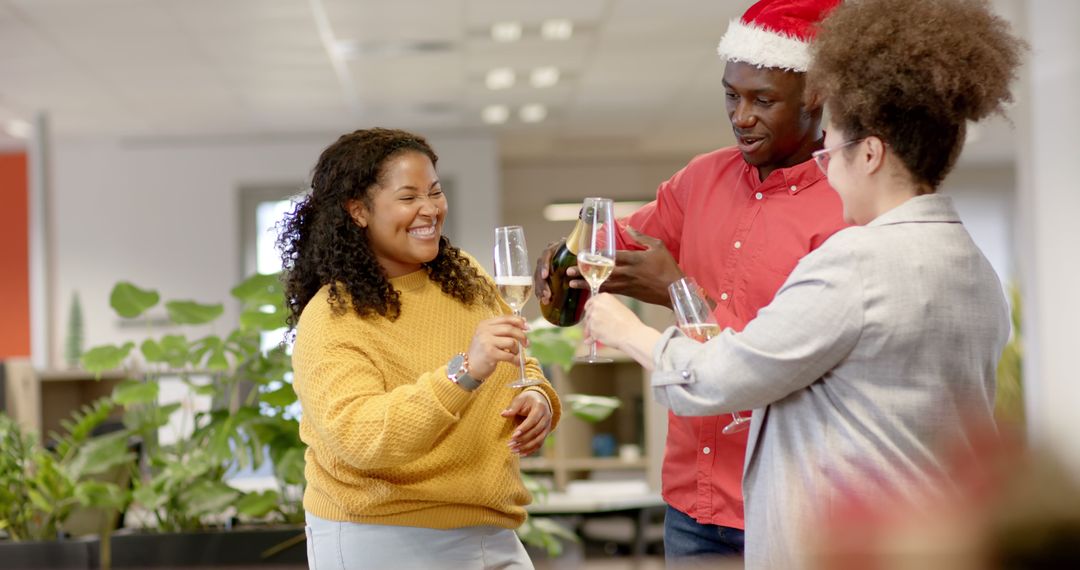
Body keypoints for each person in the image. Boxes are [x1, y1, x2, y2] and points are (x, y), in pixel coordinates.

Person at [582, 0, 1024, 567]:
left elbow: (723, 375)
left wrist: (624, 331)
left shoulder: (856, 263)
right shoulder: (974, 267)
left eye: (833, 142)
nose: (824, 162)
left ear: (869, 153)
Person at [534, 0, 845, 563]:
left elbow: (774, 367)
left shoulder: (844, 209)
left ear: (817, 95)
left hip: (787, 509)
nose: (742, 116)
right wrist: (565, 256)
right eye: (732, 95)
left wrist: (677, 291)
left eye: (763, 100)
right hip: (690, 506)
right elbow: (608, 243)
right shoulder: (702, 178)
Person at [279, 128, 561, 570]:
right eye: (409, 197)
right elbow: (363, 438)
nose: (430, 209)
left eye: (435, 191)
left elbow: (518, 361)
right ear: (358, 211)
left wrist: (538, 396)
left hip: (491, 529)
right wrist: (465, 370)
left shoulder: (464, 276)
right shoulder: (332, 316)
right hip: (380, 535)